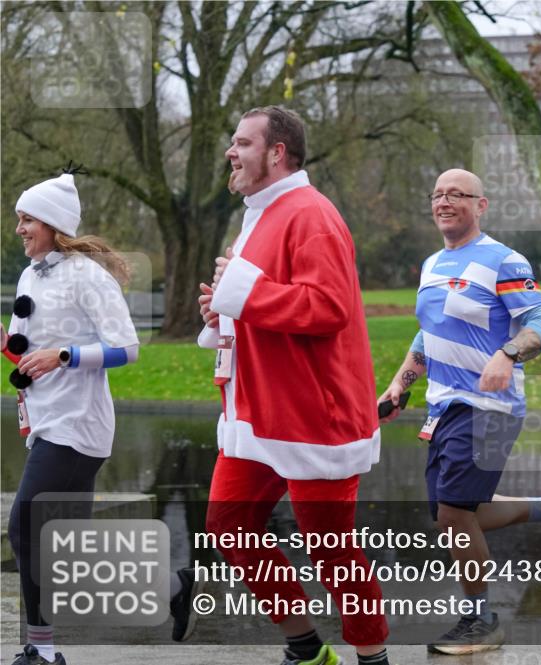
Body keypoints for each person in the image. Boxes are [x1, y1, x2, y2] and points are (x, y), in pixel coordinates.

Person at [177, 106, 389, 665]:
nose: (231, 151)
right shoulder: (262, 212)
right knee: (230, 526)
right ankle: (307, 648)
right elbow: (266, 301)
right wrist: (223, 313)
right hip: (258, 414)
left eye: (242, 143)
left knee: (331, 549)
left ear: (276, 153)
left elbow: (328, 308)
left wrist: (244, 291)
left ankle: (373, 657)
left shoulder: (311, 214)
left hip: (314, 418)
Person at [377, 168, 541, 655]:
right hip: (444, 407)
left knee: (454, 511)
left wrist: (508, 353)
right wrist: (399, 385)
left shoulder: (504, 260)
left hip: (490, 406)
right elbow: (426, 335)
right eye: (437, 195)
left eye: (457, 194)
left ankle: (482, 619)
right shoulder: (433, 263)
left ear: (482, 204)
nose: (445, 202)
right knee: (456, 513)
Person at [5, 169, 140, 665]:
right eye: (18, 219)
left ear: (52, 223)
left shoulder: (88, 276)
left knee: (25, 526)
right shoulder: (30, 274)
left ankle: (42, 652)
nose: (18, 229)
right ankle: (171, 584)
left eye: (27, 220)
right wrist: (6, 343)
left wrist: (65, 356)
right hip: (45, 421)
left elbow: (127, 350)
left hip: (78, 425)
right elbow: (25, 350)